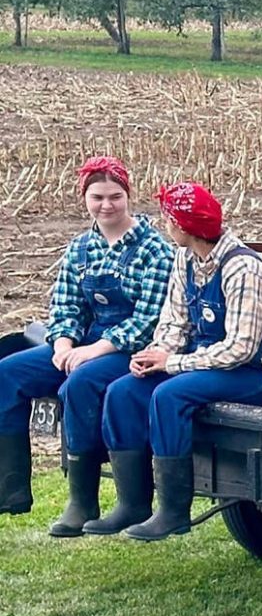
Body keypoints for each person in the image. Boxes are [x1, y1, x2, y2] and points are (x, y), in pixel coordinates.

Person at [90, 182, 262, 541]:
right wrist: (153, 355)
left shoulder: (243, 269)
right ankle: (132, 503)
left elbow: (240, 348)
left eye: (169, 219)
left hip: (253, 373)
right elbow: (175, 321)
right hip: (204, 361)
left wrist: (173, 363)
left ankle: (173, 511)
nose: (165, 225)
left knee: (170, 396)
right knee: (123, 391)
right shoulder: (185, 259)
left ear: (184, 227)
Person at [0, 156, 174, 536]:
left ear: (128, 196)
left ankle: (82, 501)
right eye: (97, 197)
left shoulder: (154, 250)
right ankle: (11, 490)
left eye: (115, 197)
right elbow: (65, 307)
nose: (106, 205)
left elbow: (149, 320)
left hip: (132, 348)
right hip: (84, 341)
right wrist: (63, 344)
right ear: (85, 199)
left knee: (80, 383)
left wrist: (94, 351)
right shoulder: (81, 247)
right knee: (7, 373)